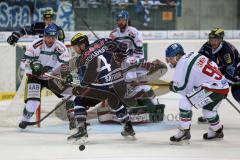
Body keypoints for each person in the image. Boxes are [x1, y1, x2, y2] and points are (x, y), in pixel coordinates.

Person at [66, 32, 137, 141]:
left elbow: (84, 83)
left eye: (75, 47)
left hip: (102, 87)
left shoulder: (82, 60)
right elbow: (122, 46)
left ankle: (81, 129)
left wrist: (73, 82)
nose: (75, 50)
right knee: (114, 100)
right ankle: (128, 127)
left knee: (79, 100)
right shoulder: (102, 41)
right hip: (117, 81)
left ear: (82, 45)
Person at [165, 43, 229, 142]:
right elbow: (213, 65)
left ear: (178, 56)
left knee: (184, 103)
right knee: (208, 111)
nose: (169, 61)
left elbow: (183, 89)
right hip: (223, 85)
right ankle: (217, 130)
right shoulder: (192, 53)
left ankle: (184, 131)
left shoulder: (181, 64)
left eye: (170, 58)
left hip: (212, 88)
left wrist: (174, 87)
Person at [18, 23, 70, 129]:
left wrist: (55, 71)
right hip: (35, 77)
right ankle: (25, 119)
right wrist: (33, 65)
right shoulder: (35, 45)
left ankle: (75, 118)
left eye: (53, 37)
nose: (50, 40)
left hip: (52, 77)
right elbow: (23, 63)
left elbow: (65, 65)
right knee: (33, 103)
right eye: (48, 36)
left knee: (71, 95)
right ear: (44, 35)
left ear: (56, 36)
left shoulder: (61, 47)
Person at [109, 10, 163, 107]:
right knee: (132, 85)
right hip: (125, 64)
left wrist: (132, 59)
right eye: (118, 20)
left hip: (138, 62)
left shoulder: (134, 32)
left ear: (127, 20)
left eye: (123, 20)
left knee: (144, 85)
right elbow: (111, 50)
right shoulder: (113, 34)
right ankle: (133, 104)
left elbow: (139, 50)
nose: (120, 22)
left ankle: (155, 103)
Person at [198, 28, 240, 123]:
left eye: (215, 40)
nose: (212, 42)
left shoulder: (226, 51)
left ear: (220, 40)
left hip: (236, 72)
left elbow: (231, 72)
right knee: (210, 90)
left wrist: (224, 89)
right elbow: (199, 59)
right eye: (211, 39)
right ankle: (209, 113)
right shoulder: (206, 46)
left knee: (237, 91)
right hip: (220, 72)